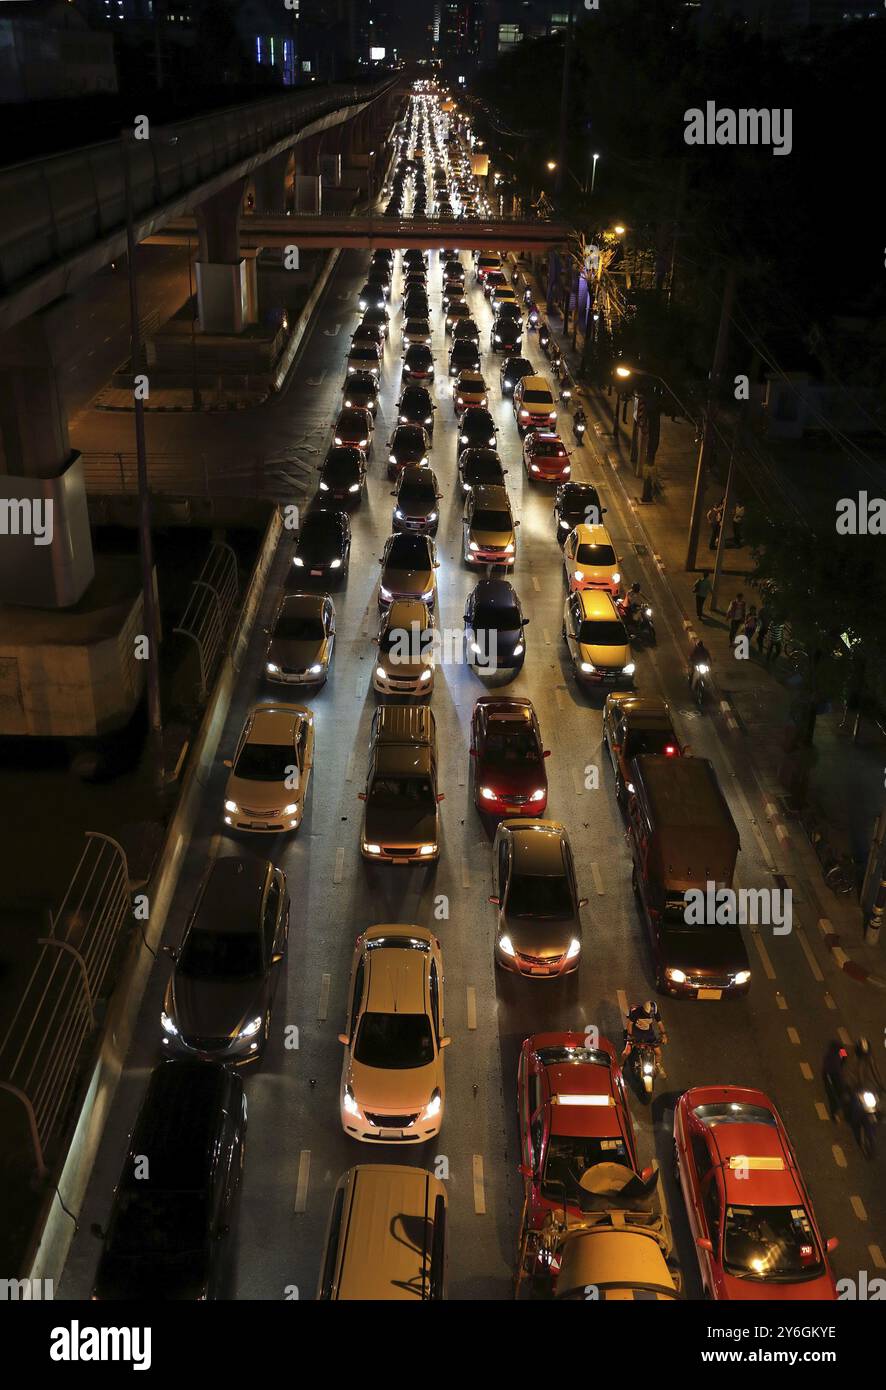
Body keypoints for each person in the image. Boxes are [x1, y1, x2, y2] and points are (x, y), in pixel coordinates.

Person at [623, 1000, 668, 1075]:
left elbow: (660, 1023)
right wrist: (630, 1036)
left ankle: (657, 1065)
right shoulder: (636, 1012)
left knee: (658, 1053)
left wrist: (664, 1035)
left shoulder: (654, 1012)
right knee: (626, 1052)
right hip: (636, 1032)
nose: (650, 1017)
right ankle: (621, 1065)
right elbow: (630, 1024)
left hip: (648, 1033)